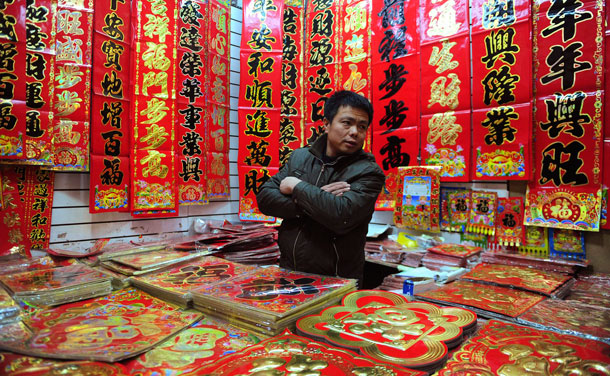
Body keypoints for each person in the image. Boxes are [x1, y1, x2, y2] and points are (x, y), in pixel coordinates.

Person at [256, 90, 385, 285]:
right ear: (326, 124)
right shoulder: (300, 158)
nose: (354, 132)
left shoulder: (368, 172)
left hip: (336, 281)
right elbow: (265, 198)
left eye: (362, 126)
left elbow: (341, 215)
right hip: (289, 271)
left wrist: (297, 186)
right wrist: (311, 201)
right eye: (347, 123)